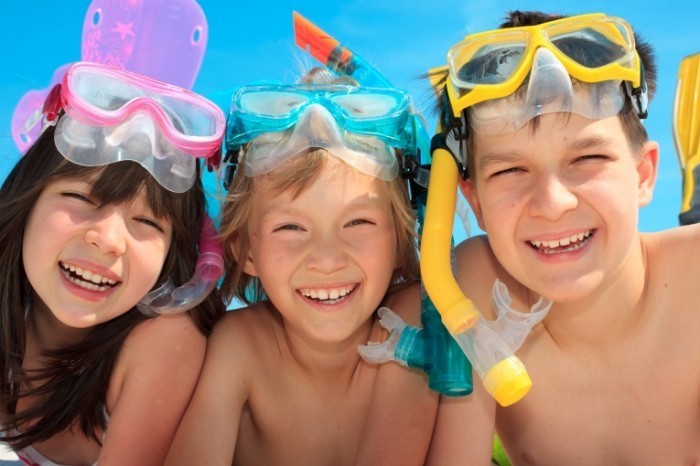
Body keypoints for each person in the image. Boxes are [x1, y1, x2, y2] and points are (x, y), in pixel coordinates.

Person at [420, 10, 700, 465]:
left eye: (587, 158)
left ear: (644, 173)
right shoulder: (478, 286)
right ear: (473, 201)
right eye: (511, 169)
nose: (551, 202)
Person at [165, 68, 438, 465]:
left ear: (400, 237)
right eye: (290, 227)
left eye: (357, 222)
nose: (327, 260)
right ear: (245, 250)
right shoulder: (241, 345)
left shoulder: (407, 322)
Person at [0, 61, 226, 465]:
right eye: (81, 199)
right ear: (27, 200)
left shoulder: (163, 340)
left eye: (146, 221)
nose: (107, 240)